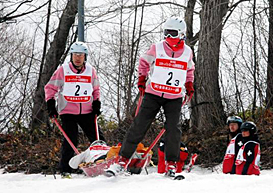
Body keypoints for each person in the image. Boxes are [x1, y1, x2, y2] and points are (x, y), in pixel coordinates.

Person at [106, 17, 195, 178]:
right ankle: (122, 160)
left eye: (172, 33)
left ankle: (171, 164)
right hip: (153, 93)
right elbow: (143, 62)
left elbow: (190, 70)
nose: (168, 37)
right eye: (166, 33)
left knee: (173, 130)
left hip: (174, 96)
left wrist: (189, 86)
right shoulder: (157, 48)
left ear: (181, 34)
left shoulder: (188, 52)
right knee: (139, 126)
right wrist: (142, 78)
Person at [45, 41, 105, 178]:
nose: (78, 58)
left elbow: (96, 89)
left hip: (87, 111)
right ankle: (65, 169)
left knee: (98, 139)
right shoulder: (63, 70)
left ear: (85, 57)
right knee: (71, 140)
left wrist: (96, 103)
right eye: (75, 55)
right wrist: (50, 105)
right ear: (71, 56)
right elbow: (50, 88)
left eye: (81, 55)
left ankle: (102, 163)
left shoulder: (91, 71)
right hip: (68, 111)